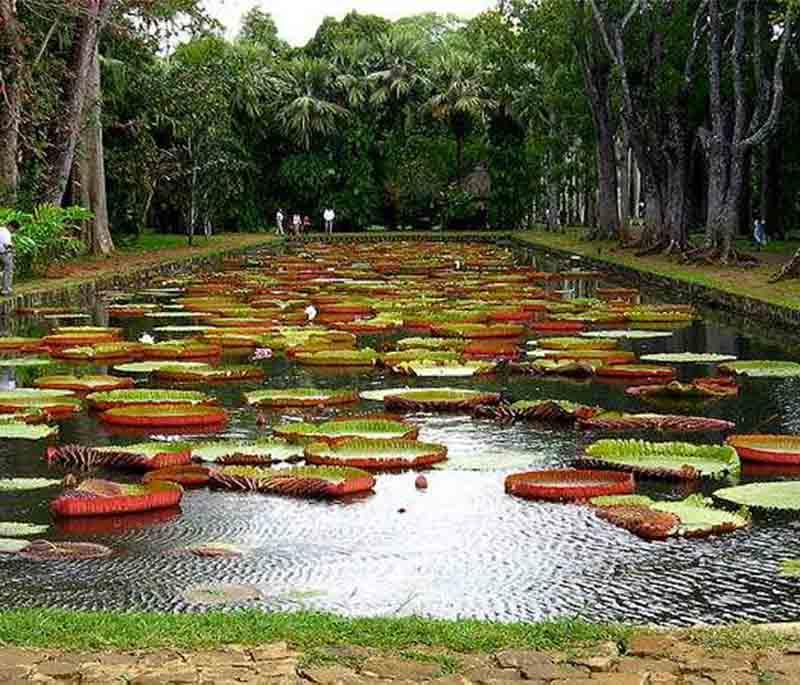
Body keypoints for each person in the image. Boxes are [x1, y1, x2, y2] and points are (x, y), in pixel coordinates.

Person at [0, 219, 17, 297]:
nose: (13, 231)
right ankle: (6, 290)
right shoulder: (6, 232)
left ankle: (2, 288)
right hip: (4, 254)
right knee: (9, 271)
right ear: (10, 226)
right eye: (14, 229)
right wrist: (13, 247)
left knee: (3, 271)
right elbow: (7, 245)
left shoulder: (1, 229)